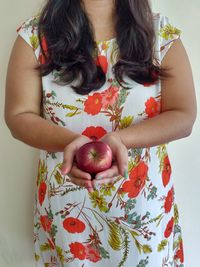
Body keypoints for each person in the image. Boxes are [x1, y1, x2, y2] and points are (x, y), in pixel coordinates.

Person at [4, 0, 196, 266]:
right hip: (67, 213)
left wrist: (120, 140)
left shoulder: (159, 35)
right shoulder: (35, 37)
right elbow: (18, 116)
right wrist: (70, 142)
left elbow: (183, 114)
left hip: (143, 215)